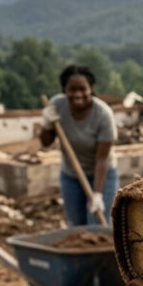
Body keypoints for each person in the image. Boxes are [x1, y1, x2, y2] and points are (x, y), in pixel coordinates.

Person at [40, 65, 118, 226]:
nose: (77, 94)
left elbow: (102, 159)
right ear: (64, 90)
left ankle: (100, 252)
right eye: (72, 89)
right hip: (70, 175)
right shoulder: (56, 105)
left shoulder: (103, 114)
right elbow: (45, 142)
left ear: (91, 89)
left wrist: (97, 194)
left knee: (97, 224)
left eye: (82, 89)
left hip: (102, 174)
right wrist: (47, 124)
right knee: (75, 225)